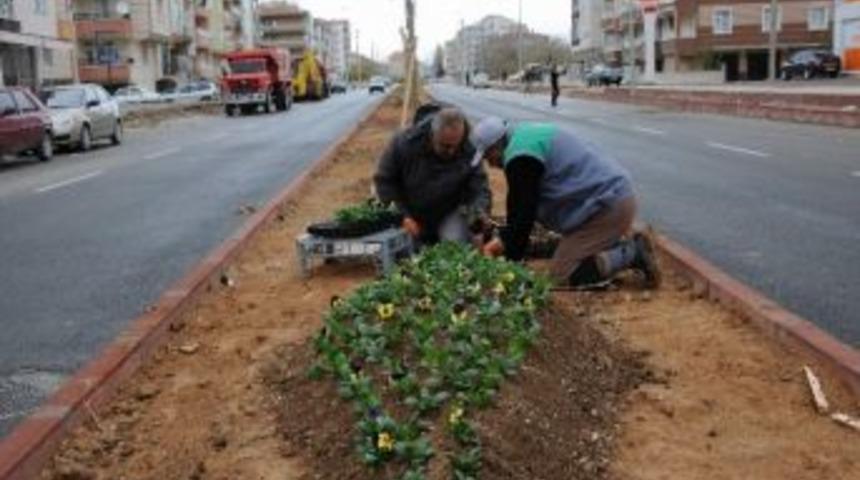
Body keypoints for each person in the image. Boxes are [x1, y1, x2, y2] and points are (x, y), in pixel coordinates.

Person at [471, 117, 660, 289]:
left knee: (561, 275)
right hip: (611, 198)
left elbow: (523, 214)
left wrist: (509, 262)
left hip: (609, 207)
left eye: (488, 156)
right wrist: (505, 240)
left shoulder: (521, 158)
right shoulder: (523, 138)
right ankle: (609, 243)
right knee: (557, 246)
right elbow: (519, 208)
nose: (490, 163)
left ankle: (633, 252)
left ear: (496, 146)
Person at [374, 107, 492, 246]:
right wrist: (402, 216)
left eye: (456, 146)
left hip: (450, 212)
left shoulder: (469, 147)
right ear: (432, 135)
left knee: (453, 244)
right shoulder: (405, 143)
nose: (451, 151)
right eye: (445, 146)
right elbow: (385, 182)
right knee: (405, 248)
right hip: (411, 211)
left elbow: (480, 189)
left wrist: (478, 214)